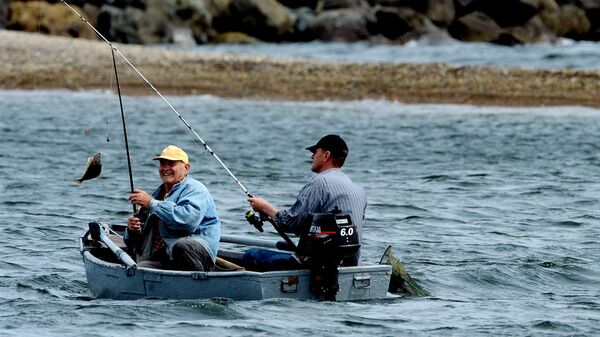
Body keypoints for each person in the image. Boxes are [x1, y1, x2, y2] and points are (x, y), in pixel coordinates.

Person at [244, 134, 367, 271]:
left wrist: (265, 208)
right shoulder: (359, 190)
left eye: (315, 152)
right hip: (351, 267)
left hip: (316, 268)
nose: (312, 157)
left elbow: (292, 223)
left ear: (326, 155)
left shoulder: (319, 183)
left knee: (252, 254)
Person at [124, 145, 220, 271]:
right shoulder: (157, 195)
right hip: (166, 256)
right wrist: (132, 230)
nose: (165, 168)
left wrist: (152, 204)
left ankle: (199, 283)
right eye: (162, 164)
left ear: (186, 168)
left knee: (181, 246)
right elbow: (136, 241)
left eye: (171, 164)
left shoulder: (195, 189)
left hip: (197, 253)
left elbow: (187, 221)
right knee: (138, 270)